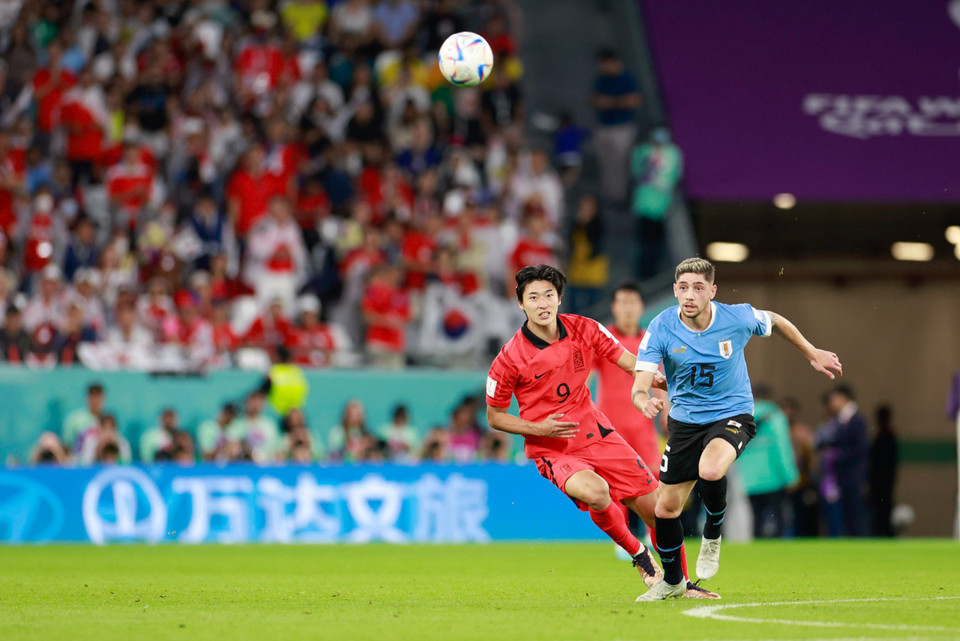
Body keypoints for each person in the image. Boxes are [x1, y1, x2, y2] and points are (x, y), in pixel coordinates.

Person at [485, 264, 717, 600]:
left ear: (559, 298)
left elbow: (623, 358)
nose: (542, 303)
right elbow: (495, 415)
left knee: (660, 511)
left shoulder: (584, 328)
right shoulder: (509, 358)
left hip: (598, 434)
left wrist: (657, 379)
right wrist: (539, 428)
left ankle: (679, 583)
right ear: (521, 304)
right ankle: (640, 556)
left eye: (549, 295)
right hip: (554, 450)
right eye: (533, 297)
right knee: (595, 492)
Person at [630, 257, 842, 599]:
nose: (689, 295)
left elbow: (775, 319)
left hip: (733, 414)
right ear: (674, 290)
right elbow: (640, 382)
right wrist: (644, 400)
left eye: (698, 288)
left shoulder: (737, 317)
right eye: (683, 288)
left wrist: (810, 351)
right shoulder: (661, 326)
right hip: (684, 423)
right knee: (665, 509)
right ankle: (672, 582)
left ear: (712, 292)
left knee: (710, 469)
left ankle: (712, 535)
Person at [737, 384, 798, 538]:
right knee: (777, 518)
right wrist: (790, 477)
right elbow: (782, 448)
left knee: (754, 520)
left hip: (746, 479)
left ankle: (756, 550)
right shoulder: (776, 416)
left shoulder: (740, 416)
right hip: (773, 478)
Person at [816, 384, 870, 537]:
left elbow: (859, 449)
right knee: (845, 514)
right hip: (842, 476)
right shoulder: (839, 419)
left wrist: (836, 454)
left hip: (853, 475)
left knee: (854, 514)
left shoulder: (856, 419)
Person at [869, 404, 899, 537]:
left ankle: (884, 535)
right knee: (881, 513)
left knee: (882, 514)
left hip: (882, 482)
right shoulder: (886, 434)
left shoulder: (886, 435)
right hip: (883, 482)